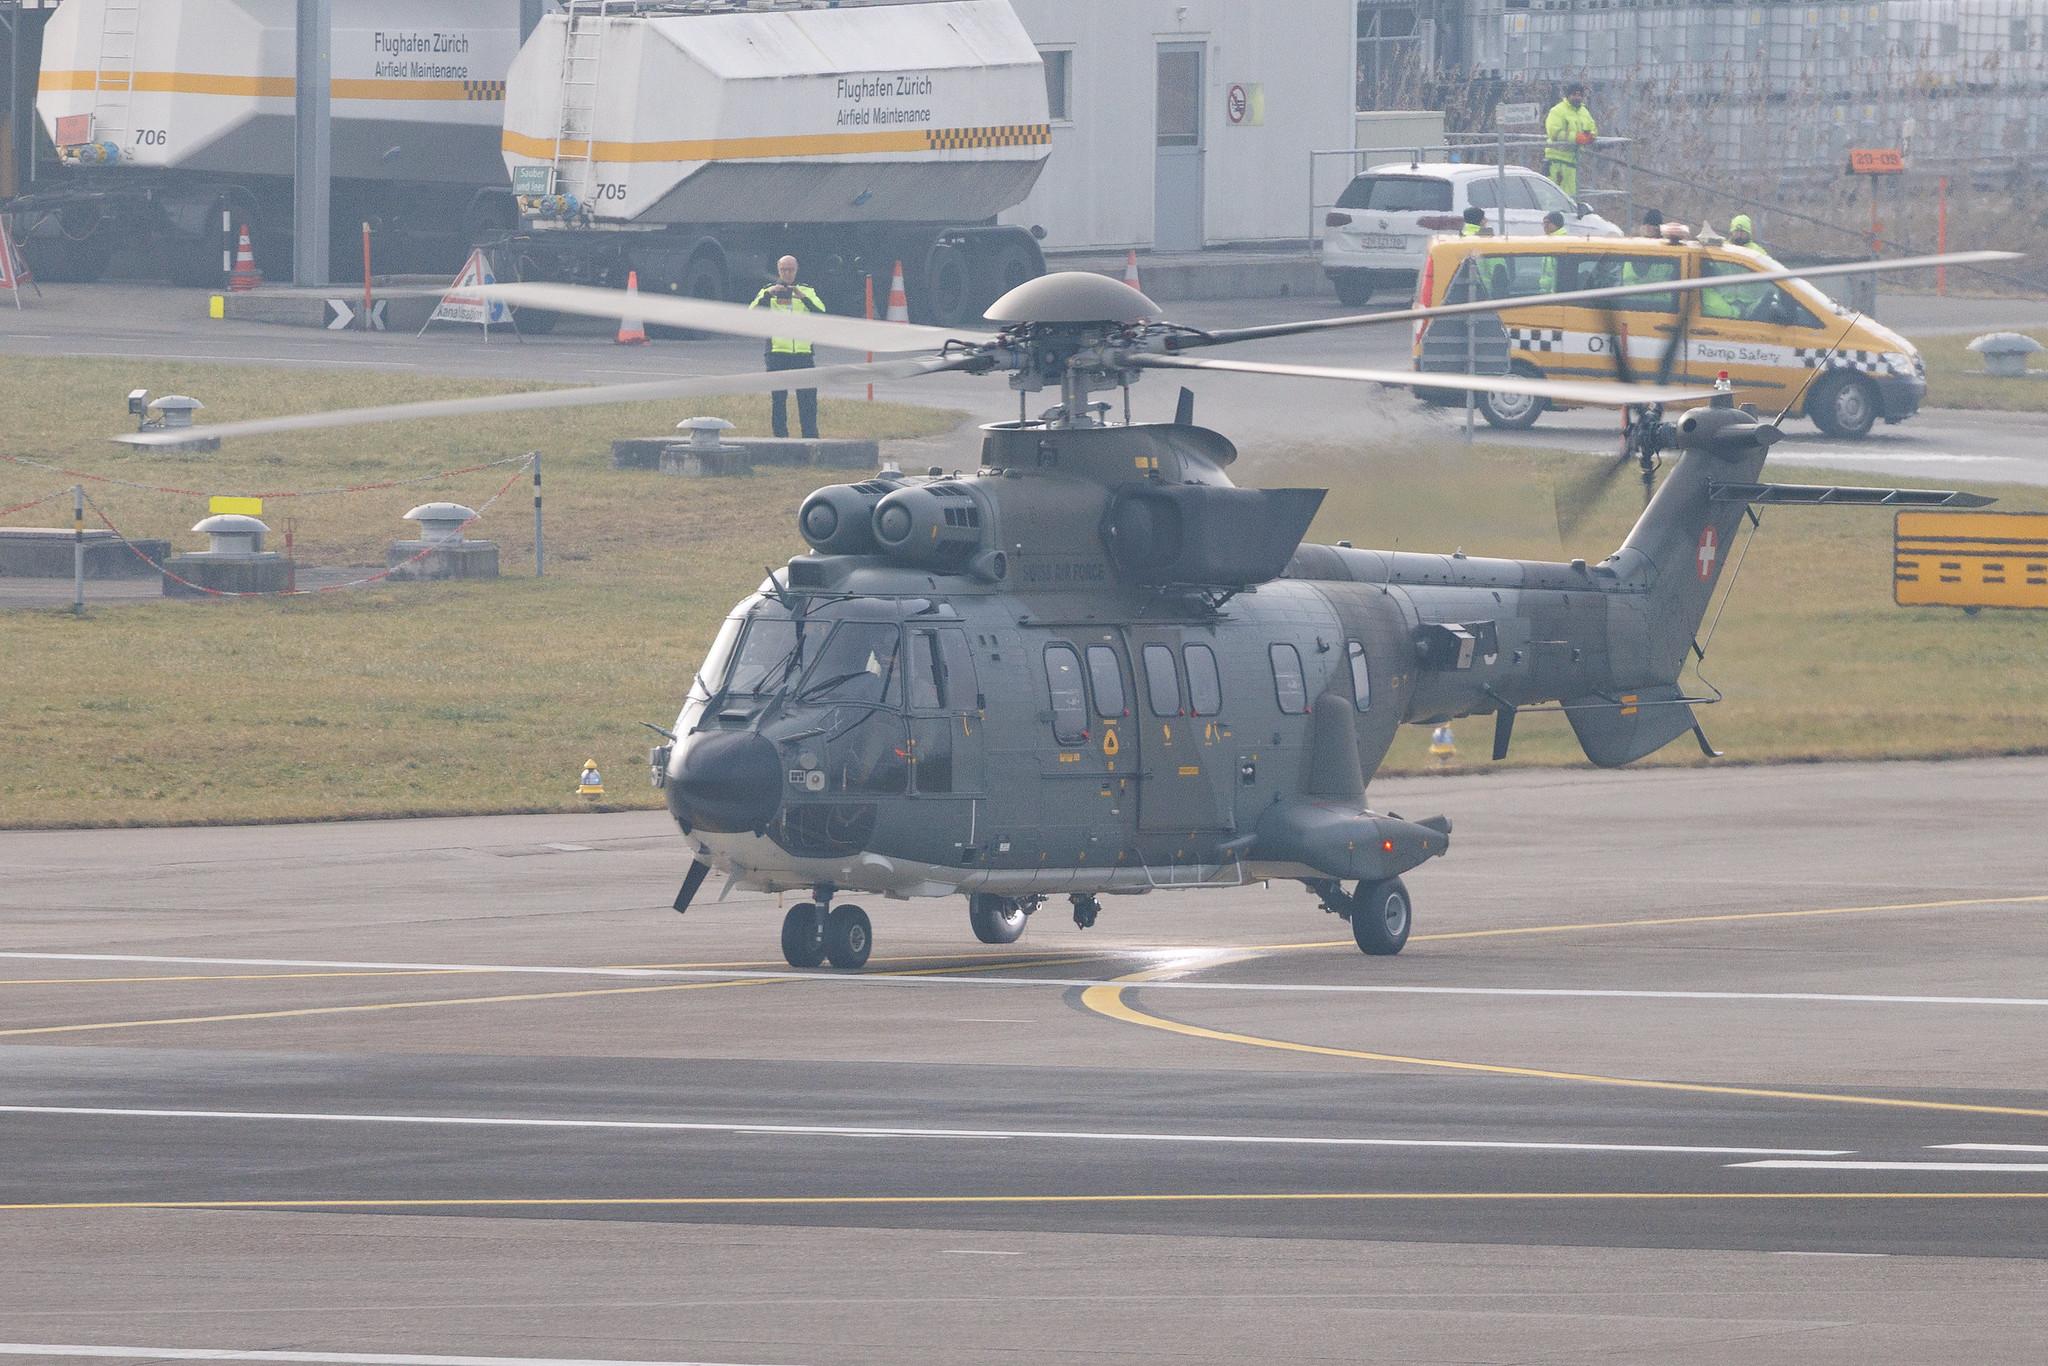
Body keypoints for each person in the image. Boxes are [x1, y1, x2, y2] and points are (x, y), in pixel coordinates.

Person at [748, 255, 825, 439]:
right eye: (784, 270)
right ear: (778, 270)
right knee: (778, 398)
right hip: (777, 351)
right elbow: (751, 313)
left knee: (807, 397)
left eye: (791, 270)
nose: (787, 273)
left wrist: (802, 297)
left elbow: (821, 311)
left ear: (796, 270)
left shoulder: (807, 290)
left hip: (802, 352)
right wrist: (769, 295)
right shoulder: (768, 290)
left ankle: (810, 436)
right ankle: (780, 437)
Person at [1543, 82, 1597, 198]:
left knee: (1570, 198)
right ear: (1568, 95)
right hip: (1556, 162)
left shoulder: (1584, 112)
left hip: (1572, 163)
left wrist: (1590, 136)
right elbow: (1554, 132)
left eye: (1580, 95)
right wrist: (1576, 137)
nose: (1577, 97)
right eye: (1574, 94)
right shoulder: (1557, 111)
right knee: (1552, 197)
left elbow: (1592, 128)